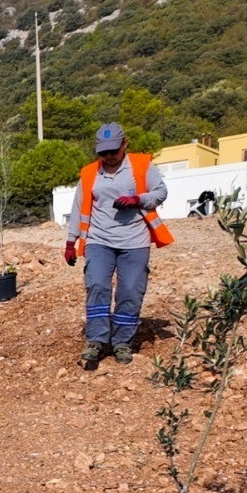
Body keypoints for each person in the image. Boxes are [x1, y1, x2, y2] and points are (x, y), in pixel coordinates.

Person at [65, 122, 173, 367]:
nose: (109, 156)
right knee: (97, 285)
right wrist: (71, 241)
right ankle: (96, 340)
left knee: (130, 290)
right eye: (103, 152)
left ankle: (122, 342)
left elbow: (161, 192)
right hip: (99, 240)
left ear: (125, 144)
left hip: (134, 241)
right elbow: (78, 207)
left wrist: (137, 199)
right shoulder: (89, 173)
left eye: (113, 151)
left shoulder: (141, 165)